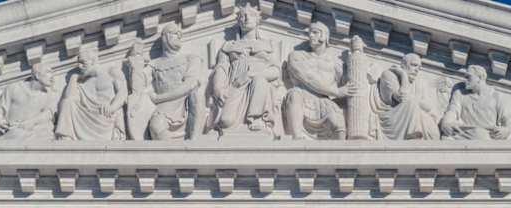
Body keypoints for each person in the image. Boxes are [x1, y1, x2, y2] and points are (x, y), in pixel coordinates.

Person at [209, 3, 282, 138]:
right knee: (226, 121)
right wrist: (218, 87)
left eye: (251, 15)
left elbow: (276, 71)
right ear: (238, 21)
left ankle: (256, 118)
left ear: (257, 19)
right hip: (235, 84)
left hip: (259, 83)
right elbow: (221, 68)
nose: (246, 18)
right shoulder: (229, 46)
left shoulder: (269, 45)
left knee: (259, 81)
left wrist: (256, 74)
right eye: (242, 16)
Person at [283, 21, 357, 140]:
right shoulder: (297, 56)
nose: (310, 36)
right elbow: (308, 77)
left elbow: (350, 84)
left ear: (324, 36)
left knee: (339, 124)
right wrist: (336, 91)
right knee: (294, 94)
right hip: (303, 98)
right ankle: (296, 138)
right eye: (310, 33)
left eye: (315, 32)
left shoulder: (335, 63)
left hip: (325, 103)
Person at [147, 24, 205, 140]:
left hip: (185, 102)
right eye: (175, 33)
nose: (179, 36)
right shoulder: (153, 65)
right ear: (165, 37)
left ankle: (194, 142)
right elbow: (143, 87)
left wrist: (159, 98)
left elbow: (190, 84)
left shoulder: (191, 59)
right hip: (164, 108)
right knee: (155, 127)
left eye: (180, 34)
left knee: (197, 95)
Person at [55, 50, 127, 141]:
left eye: (82, 62)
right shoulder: (81, 83)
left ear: (93, 61)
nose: (79, 66)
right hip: (84, 116)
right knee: (67, 102)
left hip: (105, 115)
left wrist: (112, 107)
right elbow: (68, 99)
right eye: (78, 63)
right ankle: (66, 138)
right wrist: (74, 78)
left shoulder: (111, 72)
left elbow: (123, 93)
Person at [372, 53, 441, 140]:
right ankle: (413, 136)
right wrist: (403, 75)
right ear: (403, 65)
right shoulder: (389, 75)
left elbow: (428, 107)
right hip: (392, 119)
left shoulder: (419, 82)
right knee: (410, 103)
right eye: (414, 65)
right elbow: (402, 98)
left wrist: (415, 101)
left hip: (412, 116)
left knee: (433, 128)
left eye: (419, 68)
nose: (416, 70)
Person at [439, 65, 511, 140]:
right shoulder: (460, 94)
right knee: (446, 137)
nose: (465, 80)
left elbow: (508, 118)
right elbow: (452, 111)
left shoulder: (497, 96)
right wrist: (446, 122)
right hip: (463, 133)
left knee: (480, 134)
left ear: (480, 78)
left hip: (488, 135)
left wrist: (506, 130)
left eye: (469, 77)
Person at [0, 62, 57, 140]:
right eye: (48, 72)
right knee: (16, 134)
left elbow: (48, 114)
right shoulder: (14, 88)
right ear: (37, 75)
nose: (52, 77)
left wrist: (29, 123)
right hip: (11, 131)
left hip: (32, 132)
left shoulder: (49, 95)